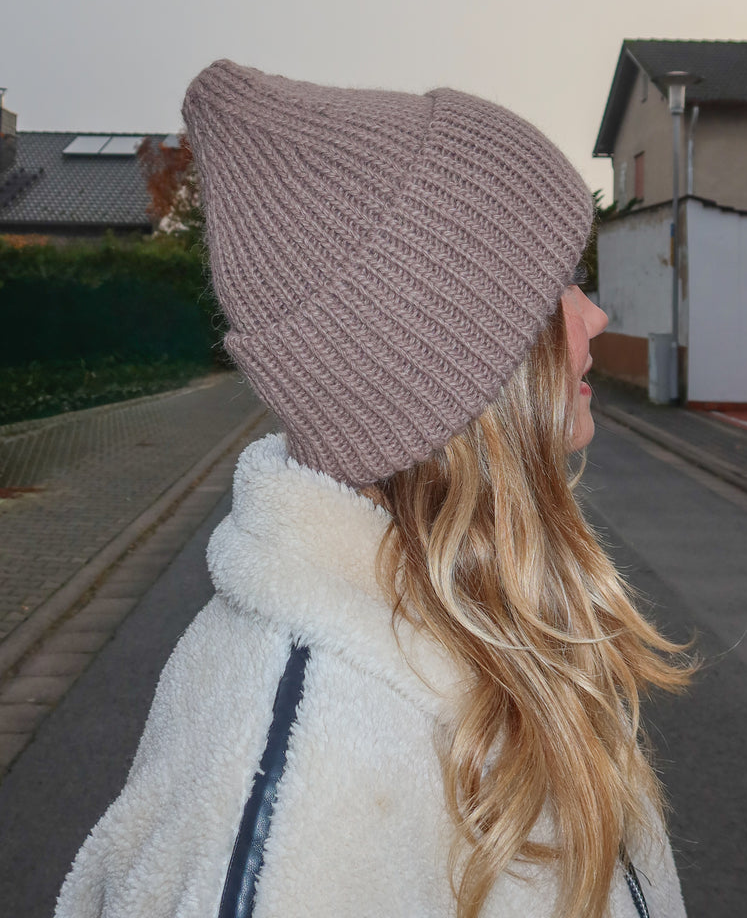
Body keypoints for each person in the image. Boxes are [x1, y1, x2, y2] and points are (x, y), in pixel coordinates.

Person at [55, 60, 693, 918]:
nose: (593, 316)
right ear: (445, 361)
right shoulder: (303, 790)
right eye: (555, 288)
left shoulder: (463, 605)